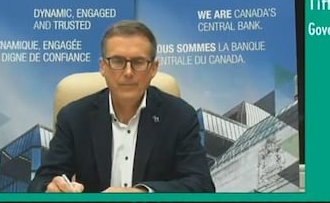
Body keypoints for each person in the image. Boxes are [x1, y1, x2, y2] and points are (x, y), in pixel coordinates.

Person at [29, 20, 215, 193]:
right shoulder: (74, 117)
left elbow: (202, 184)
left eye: (138, 62)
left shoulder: (179, 116)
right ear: (103, 67)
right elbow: (40, 182)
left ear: (153, 68)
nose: (127, 72)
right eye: (117, 61)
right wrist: (51, 188)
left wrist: (140, 193)